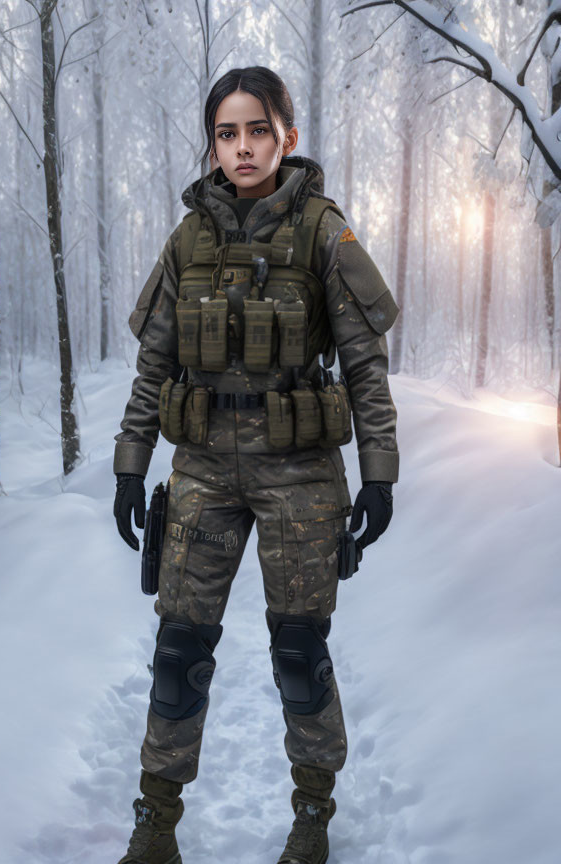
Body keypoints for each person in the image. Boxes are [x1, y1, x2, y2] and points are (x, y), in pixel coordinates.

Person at [112, 66, 399, 864]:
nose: (243, 148)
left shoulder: (321, 231)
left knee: (300, 651)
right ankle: (156, 825)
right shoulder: (188, 237)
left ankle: (313, 817)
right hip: (202, 467)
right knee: (179, 649)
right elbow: (153, 366)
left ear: (288, 137)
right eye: (227, 133)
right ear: (213, 142)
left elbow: (366, 366)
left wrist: (380, 472)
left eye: (258, 131)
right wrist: (132, 465)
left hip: (299, 472)